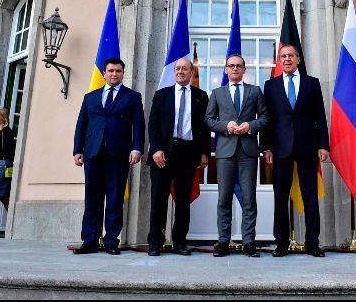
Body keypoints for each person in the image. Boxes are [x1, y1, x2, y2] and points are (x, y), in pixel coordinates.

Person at [263, 44, 329, 258]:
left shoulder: (312, 83)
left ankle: (312, 243)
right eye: (283, 56)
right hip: (281, 148)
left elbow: (320, 116)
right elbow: (267, 120)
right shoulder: (270, 86)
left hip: (307, 146)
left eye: (291, 55)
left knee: (310, 196)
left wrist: (323, 145)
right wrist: (267, 147)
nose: (287, 59)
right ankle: (281, 244)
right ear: (279, 60)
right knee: (280, 198)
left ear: (298, 59)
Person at [73, 58, 144, 255]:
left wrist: (137, 148)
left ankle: (111, 240)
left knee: (114, 199)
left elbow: (138, 125)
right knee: (92, 199)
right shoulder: (90, 97)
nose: (114, 74)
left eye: (118, 71)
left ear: (123, 73)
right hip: (93, 154)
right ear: (104, 73)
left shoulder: (132, 97)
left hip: (119, 154)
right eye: (111, 70)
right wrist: (77, 150)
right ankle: (90, 240)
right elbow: (81, 125)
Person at [205, 54, 268, 258]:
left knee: (249, 198)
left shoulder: (255, 91)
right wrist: (226, 126)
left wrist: (250, 126)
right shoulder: (217, 92)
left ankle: (249, 242)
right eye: (230, 66)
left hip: (248, 151)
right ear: (225, 70)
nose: (234, 69)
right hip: (225, 151)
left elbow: (266, 117)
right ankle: (223, 241)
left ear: (244, 70)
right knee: (224, 198)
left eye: (238, 66)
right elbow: (208, 120)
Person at [146, 58, 210, 256]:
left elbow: (205, 128)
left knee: (183, 200)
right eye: (178, 69)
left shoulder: (201, 96)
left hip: (188, 153)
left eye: (185, 69)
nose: (181, 71)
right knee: (159, 199)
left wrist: (204, 153)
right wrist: (156, 149)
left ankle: (179, 241)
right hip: (163, 153)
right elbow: (153, 124)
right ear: (174, 72)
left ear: (192, 73)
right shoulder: (161, 95)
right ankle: (155, 242)